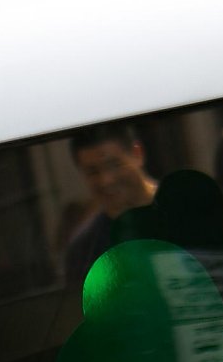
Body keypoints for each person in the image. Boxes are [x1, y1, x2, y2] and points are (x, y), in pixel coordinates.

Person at [62, 121, 158, 286]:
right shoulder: (84, 249)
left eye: (114, 165)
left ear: (137, 154)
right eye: (93, 172)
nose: (106, 180)